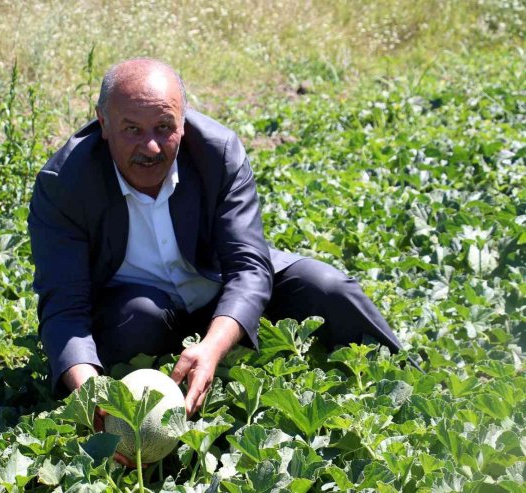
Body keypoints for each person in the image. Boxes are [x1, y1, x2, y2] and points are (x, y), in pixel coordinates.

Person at [27, 58, 407, 418]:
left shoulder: (217, 153)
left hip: (220, 290)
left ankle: (408, 388)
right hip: (136, 309)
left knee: (327, 288)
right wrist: (90, 396)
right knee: (135, 321)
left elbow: (248, 267)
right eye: (132, 130)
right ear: (103, 123)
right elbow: (65, 307)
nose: (151, 147)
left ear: (184, 122)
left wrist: (213, 346)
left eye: (164, 127)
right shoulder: (65, 184)